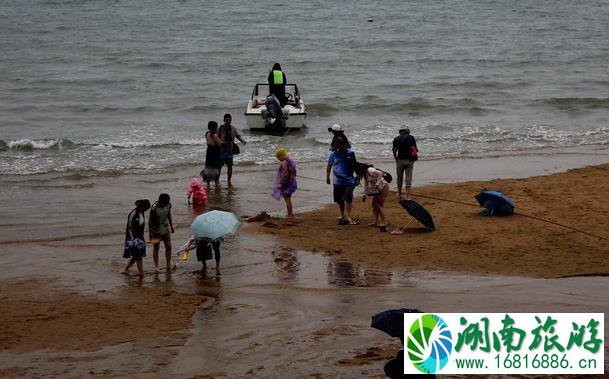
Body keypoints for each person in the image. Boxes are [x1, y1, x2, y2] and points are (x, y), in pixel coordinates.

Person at [326, 138, 359, 225]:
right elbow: (329, 165)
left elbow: (355, 165)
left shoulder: (350, 153)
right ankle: (342, 214)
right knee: (339, 199)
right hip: (337, 181)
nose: (339, 148)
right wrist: (327, 177)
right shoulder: (333, 154)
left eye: (341, 146)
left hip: (349, 180)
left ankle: (348, 215)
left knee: (348, 195)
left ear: (345, 145)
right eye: (337, 146)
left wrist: (358, 176)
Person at [355, 163, 390, 232]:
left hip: (383, 187)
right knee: (374, 205)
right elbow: (366, 186)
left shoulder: (369, 170)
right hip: (378, 190)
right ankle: (375, 221)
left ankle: (384, 222)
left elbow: (381, 173)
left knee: (378, 205)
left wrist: (377, 184)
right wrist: (365, 195)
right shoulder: (365, 175)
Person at [121, 199, 150, 276]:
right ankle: (140, 272)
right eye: (145, 208)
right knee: (138, 255)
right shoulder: (133, 214)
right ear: (141, 207)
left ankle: (126, 269)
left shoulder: (142, 212)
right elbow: (129, 228)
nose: (146, 210)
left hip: (140, 236)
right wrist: (133, 239)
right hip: (133, 237)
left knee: (137, 255)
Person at [218, 114, 247, 186]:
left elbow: (238, 136)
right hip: (221, 150)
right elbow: (216, 138)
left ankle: (229, 181)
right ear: (224, 120)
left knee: (230, 166)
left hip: (230, 150)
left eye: (230, 120)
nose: (228, 121)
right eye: (227, 120)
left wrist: (243, 140)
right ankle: (217, 180)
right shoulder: (220, 128)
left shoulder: (233, 128)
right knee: (219, 166)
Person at [149, 193, 175, 272]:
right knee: (156, 248)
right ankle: (156, 266)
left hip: (165, 228)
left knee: (168, 246)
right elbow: (150, 221)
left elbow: (169, 214)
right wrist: (150, 233)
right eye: (165, 203)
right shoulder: (154, 208)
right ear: (160, 201)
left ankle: (168, 264)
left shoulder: (168, 204)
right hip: (156, 230)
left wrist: (171, 226)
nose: (166, 204)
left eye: (167, 202)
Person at [392, 128, 418, 200]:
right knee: (408, 177)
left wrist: (395, 158)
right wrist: (414, 158)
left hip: (400, 160)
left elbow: (394, 150)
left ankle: (399, 194)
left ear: (400, 133)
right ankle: (407, 196)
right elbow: (414, 149)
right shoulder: (411, 137)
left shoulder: (396, 138)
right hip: (410, 160)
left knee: (399, 177)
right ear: (408, 132)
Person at [272, 147, 297, 218]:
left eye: (278, 157)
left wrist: (281, 183)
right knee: (288, 199)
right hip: (291, 182)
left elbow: (284, 175)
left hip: (287, 184)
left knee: (287, 200)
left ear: (281, 156)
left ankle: (289, 214)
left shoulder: (284, 163)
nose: (278, 159)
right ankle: (290, 213)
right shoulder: (290, 161)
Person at [202, 121, 222, 186]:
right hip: (214, 152)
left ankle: (208, 184)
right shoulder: (215, 135)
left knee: (208, 167)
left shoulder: (206, 134)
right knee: (216, 167)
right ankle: (216, 182)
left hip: (209, 152)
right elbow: (219, 144)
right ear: (215, 128)